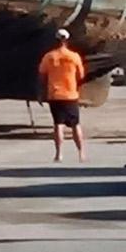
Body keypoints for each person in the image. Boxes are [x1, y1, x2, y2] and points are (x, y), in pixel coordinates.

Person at [37, 28, 86, 163]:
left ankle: (59, 154)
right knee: (76, 125)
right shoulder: (74, 56)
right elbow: (81, 76)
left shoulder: (49, 56)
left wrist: (41, 93)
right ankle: (81, 153)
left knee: (58, 124)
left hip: (54, 94)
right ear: (67, 40)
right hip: (71, 95)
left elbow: (42, 75)